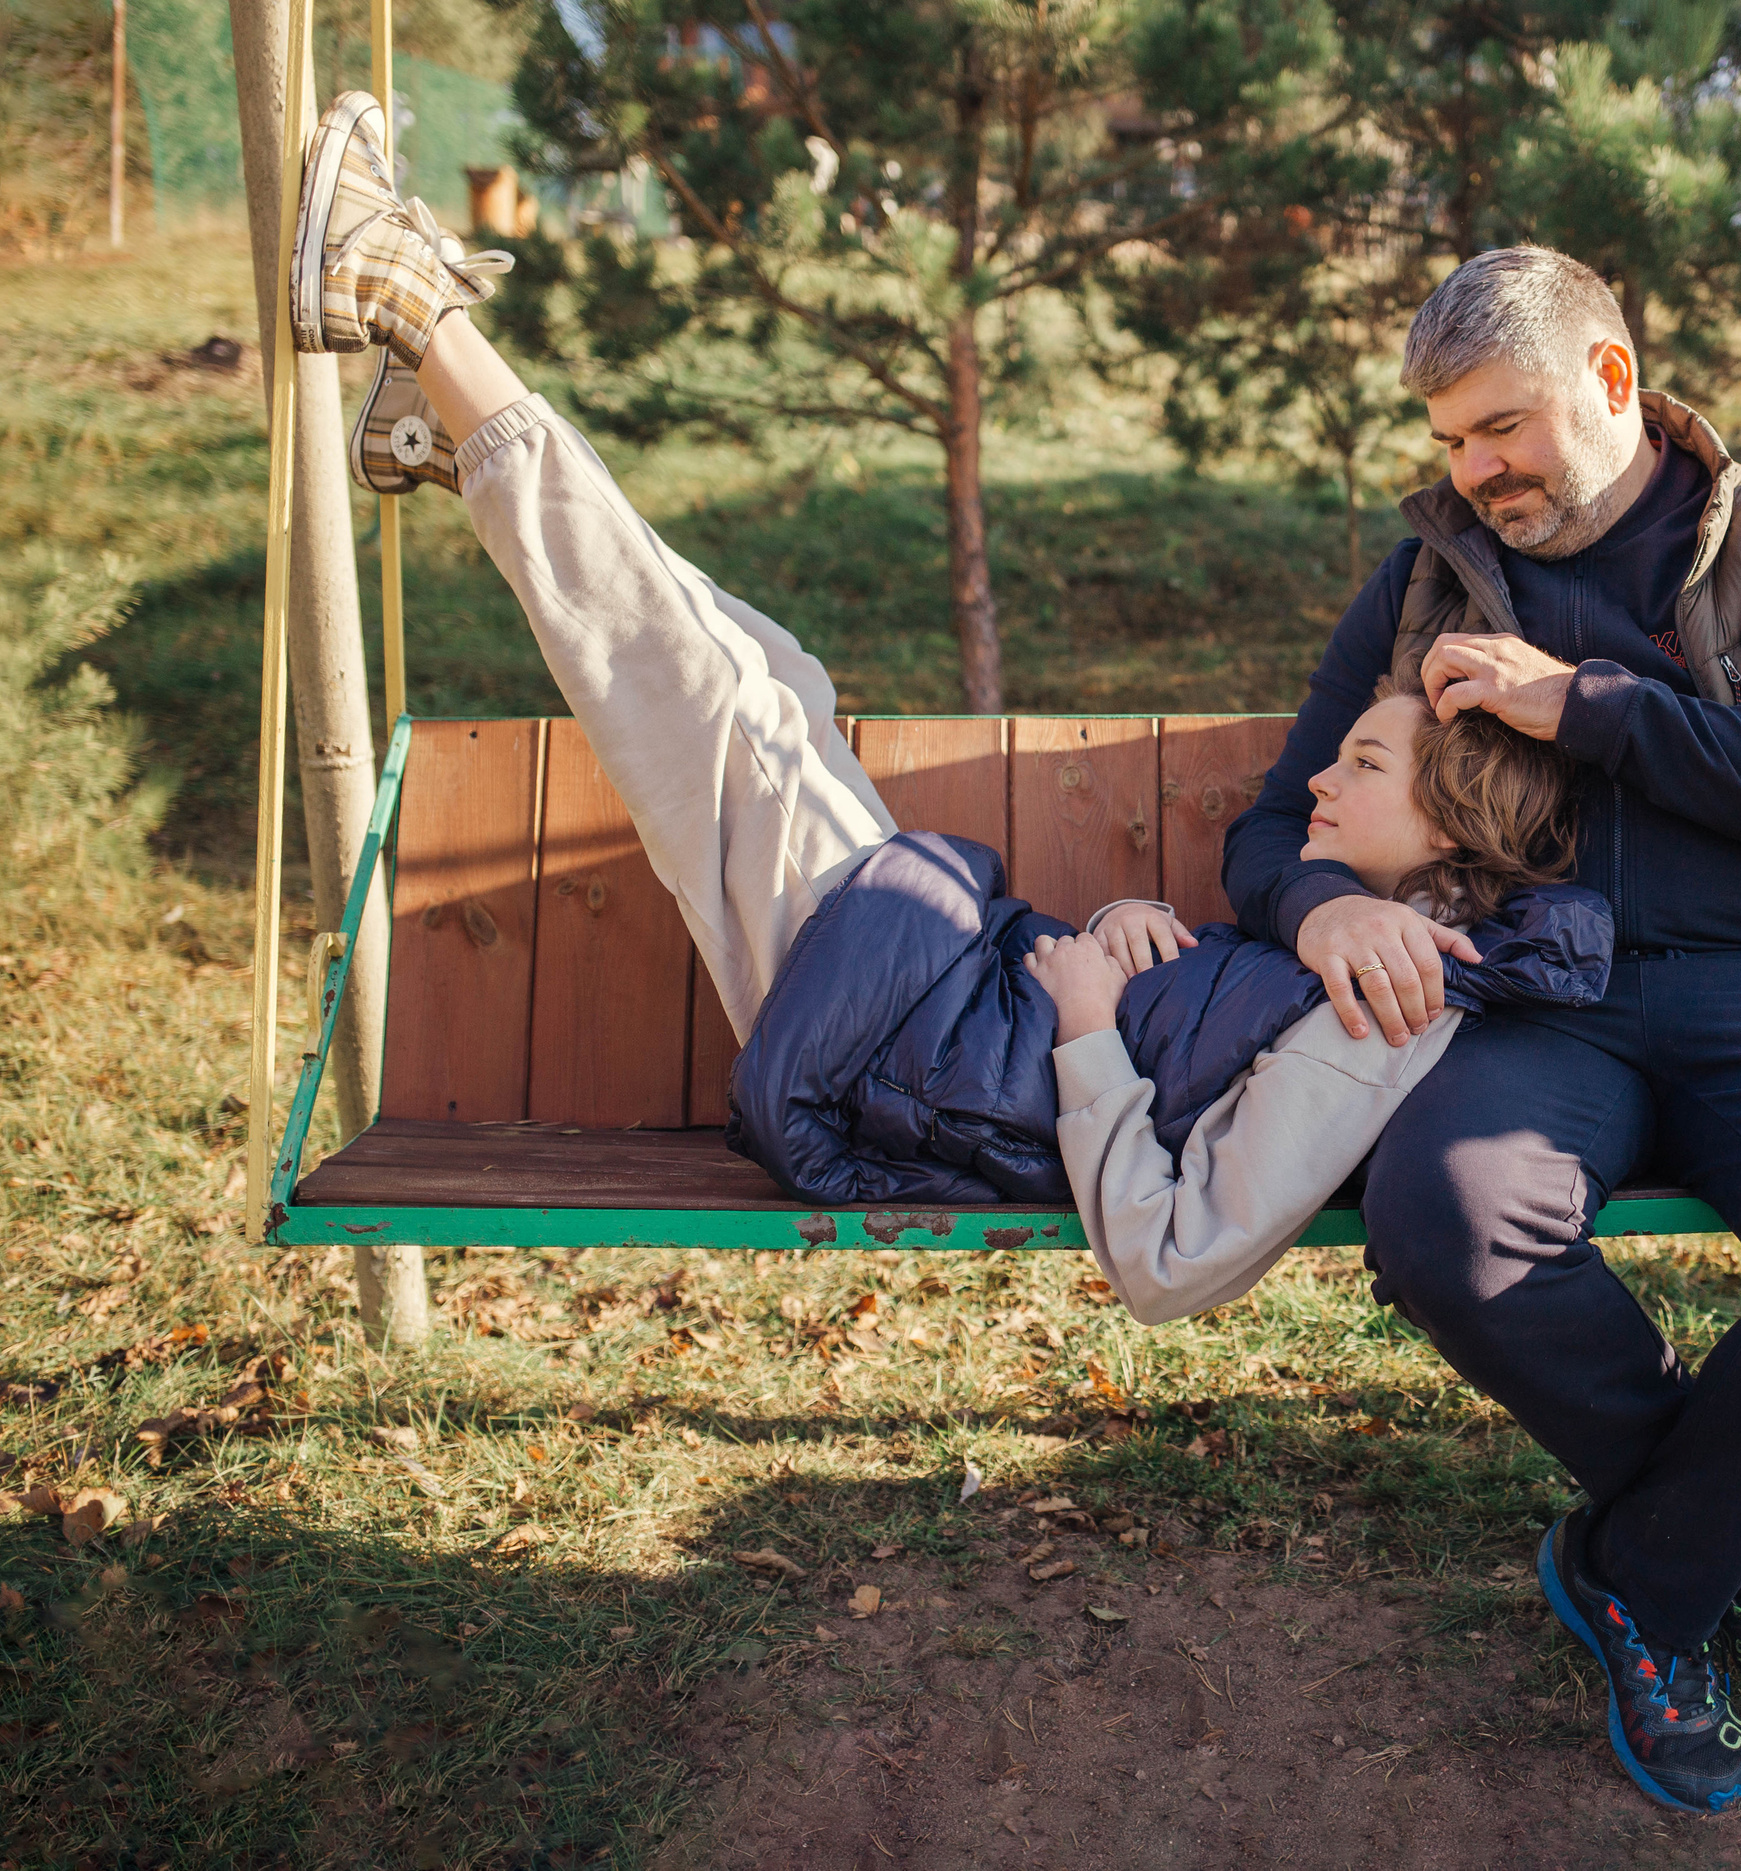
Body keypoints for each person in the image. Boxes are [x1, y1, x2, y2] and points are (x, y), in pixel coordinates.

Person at [283, 92, 1611, 1327]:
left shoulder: (1391, 1011)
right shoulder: (1364, 944)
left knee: (709, 692)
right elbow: (1180, 1043)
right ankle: (451, 443)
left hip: (886, 1051)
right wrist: (1134, 938)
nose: (1320, 780)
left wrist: (1092, 1023)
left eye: (1364, 764)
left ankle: (415, 313)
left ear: (1445, 829)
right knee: (776, 678)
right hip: (932, 994)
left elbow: (1172, 1261)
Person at [1221, 246, 1741, 1812]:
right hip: (1533, 997)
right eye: (1449, 438)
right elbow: (1269, 831)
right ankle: (1721, 1540)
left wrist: (1580, 705)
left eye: (1501, 426)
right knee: (1449, 1224)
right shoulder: (1425, 581)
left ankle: (1640, 1571)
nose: (1474, 469)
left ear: (1612, 381)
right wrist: (1328, 909)